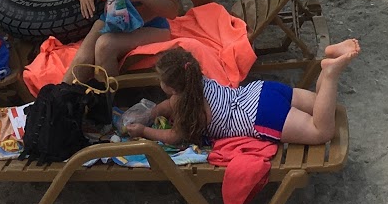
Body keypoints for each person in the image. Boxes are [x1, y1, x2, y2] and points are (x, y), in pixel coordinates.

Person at [125, 39, 361, 148]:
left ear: (173, 88)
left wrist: (145, 130)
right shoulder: (196, 80)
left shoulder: (189, 109)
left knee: (322, 131)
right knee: (322, 105)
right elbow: (170, 104)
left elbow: (173, 137)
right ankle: (331, 57)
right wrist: (153, 111)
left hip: (261, 116)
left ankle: (329, 73)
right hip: (262, 90)